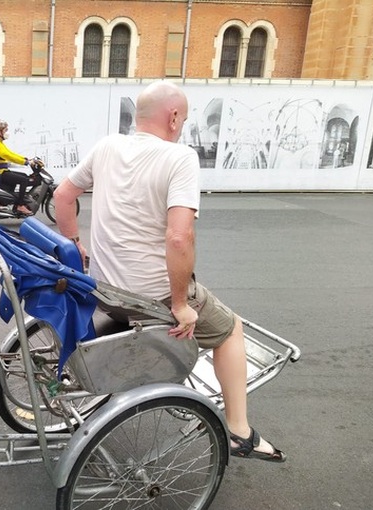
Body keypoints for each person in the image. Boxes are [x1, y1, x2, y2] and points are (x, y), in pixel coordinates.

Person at [53, 81, 286, 463]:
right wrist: (180, 303)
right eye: (185, 117)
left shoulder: (107, 146)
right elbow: (179, 237)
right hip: (150, 296)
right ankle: (239, 431)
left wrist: (75, 243)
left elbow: (63, 196)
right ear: (174, 116)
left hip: (105, 289)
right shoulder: (180, 158)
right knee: (230, 330)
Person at [0, 119, 35, 215]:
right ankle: (20, 205)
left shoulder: (0, 143)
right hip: (0, 172)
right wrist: (25, 162)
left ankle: (13, 201)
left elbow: (11, 153)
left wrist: (26, 159)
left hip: (3, 171)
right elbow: (9, 157)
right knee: (24, 180)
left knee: (24, 176)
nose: (7, 133)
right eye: (5, 130)